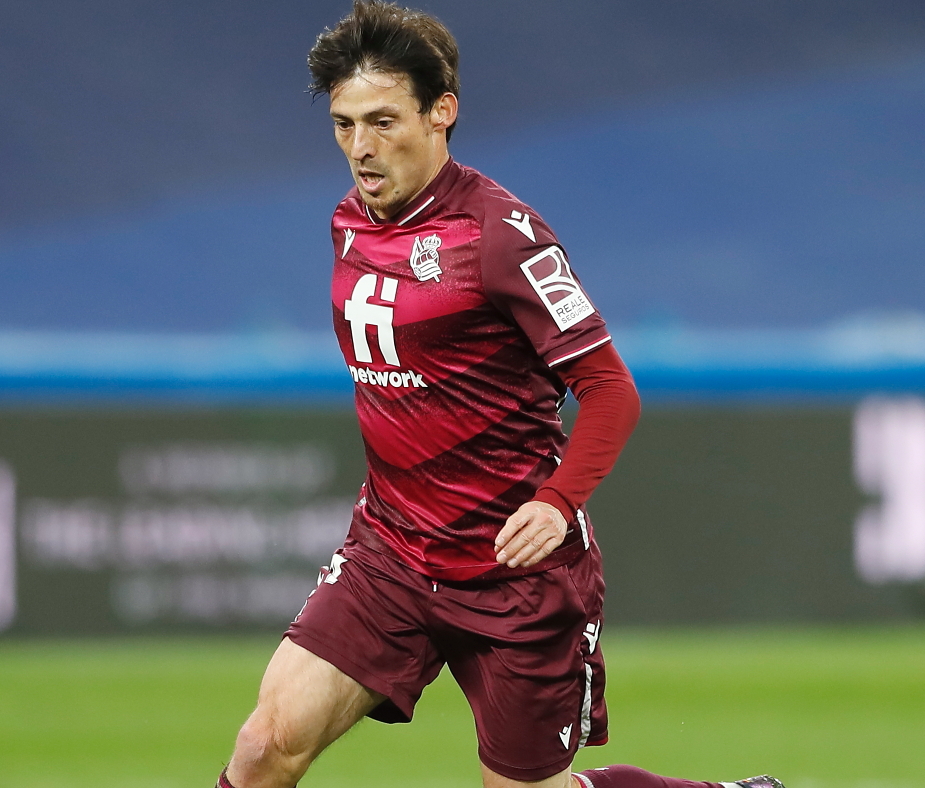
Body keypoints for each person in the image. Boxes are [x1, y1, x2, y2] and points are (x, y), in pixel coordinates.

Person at [218, 4, 784, 788]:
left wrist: (556, 503)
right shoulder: (349, 222)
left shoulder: (501, 236)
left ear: (442, 111)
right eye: (345, 125)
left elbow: (610, 390)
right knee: (264, 746)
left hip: (515, 573)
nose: (361, 148)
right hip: (390, 553)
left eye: (383, 122)